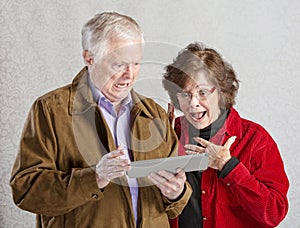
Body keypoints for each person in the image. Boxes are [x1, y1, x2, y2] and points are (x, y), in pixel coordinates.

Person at [10, 12, 192, 228]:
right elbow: (26, 191)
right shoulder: (51, 110)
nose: (130, 75)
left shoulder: (154, 113)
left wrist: (177, 192)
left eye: (136, 63)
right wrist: (94, 178)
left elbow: (174, 204)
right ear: (89, 58)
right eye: (119, 65)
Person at [163, 42, 289, 228]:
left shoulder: (256, 140)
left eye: (202, 92)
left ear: (221, 93)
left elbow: (274, 213)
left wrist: (229, 166)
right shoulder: (171, 132)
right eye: (185, 95)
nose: (193, 104)